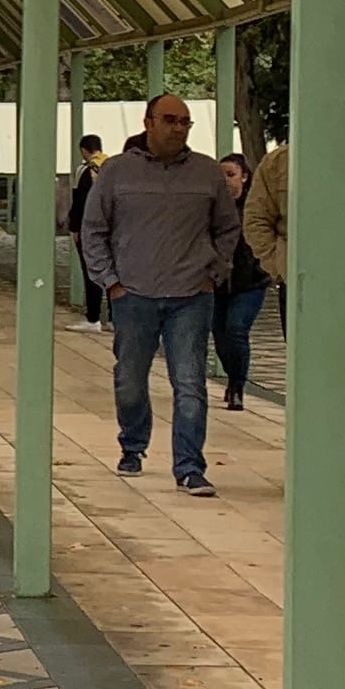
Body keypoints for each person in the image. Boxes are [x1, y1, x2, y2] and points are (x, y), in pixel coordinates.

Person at [82, 94, 241, 495]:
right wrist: (111, 282)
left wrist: (214, 273)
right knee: (130, 379)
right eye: (169, 119)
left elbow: (227, 228)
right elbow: (93, 230)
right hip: (133, 295)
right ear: (148, 122)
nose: (177, 128)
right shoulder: (117, 173)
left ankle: (189, 466)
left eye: (185, 122)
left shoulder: (206, 173)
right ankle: (132, 445)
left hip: (191, 295)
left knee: (190, 383)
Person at [242, 133, 345, 416]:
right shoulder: (277, 164)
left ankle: (340, 435)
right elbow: (256, 221)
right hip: (301, 284)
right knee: (310, 374)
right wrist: (281, 266)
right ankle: (318, 442)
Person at [212, 153, 270, 411]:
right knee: (220, 334)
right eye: (221, 175)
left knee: (236, 329)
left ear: (244, 177)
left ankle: (238, 385)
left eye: (231, 174)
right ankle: (232, 375)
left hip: (250, 282)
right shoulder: (212, 206)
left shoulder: (256, 207)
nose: (226, 181)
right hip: (216, 283)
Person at [63, 134, 109, 325]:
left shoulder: (84, 170)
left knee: (91, 271)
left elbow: (80, 201)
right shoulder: (112, 166)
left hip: (90, 229)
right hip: (113, 228)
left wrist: (75, 228)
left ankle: (93, 318)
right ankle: (114, 318)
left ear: (83, 150)